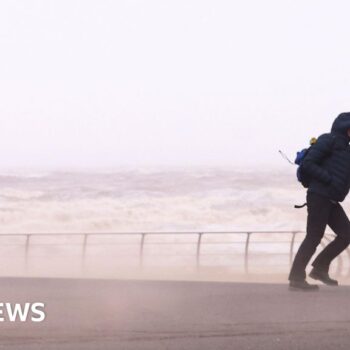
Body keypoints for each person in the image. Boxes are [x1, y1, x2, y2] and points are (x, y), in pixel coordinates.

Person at [289, 113, 350, 291]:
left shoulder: (346, 150)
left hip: (331, 198)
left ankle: (320, 269)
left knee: (347, 234)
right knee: (314, 236)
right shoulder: (328, 140)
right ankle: (296, 278)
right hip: (319, 195)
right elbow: (308, 164)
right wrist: (328, 179)